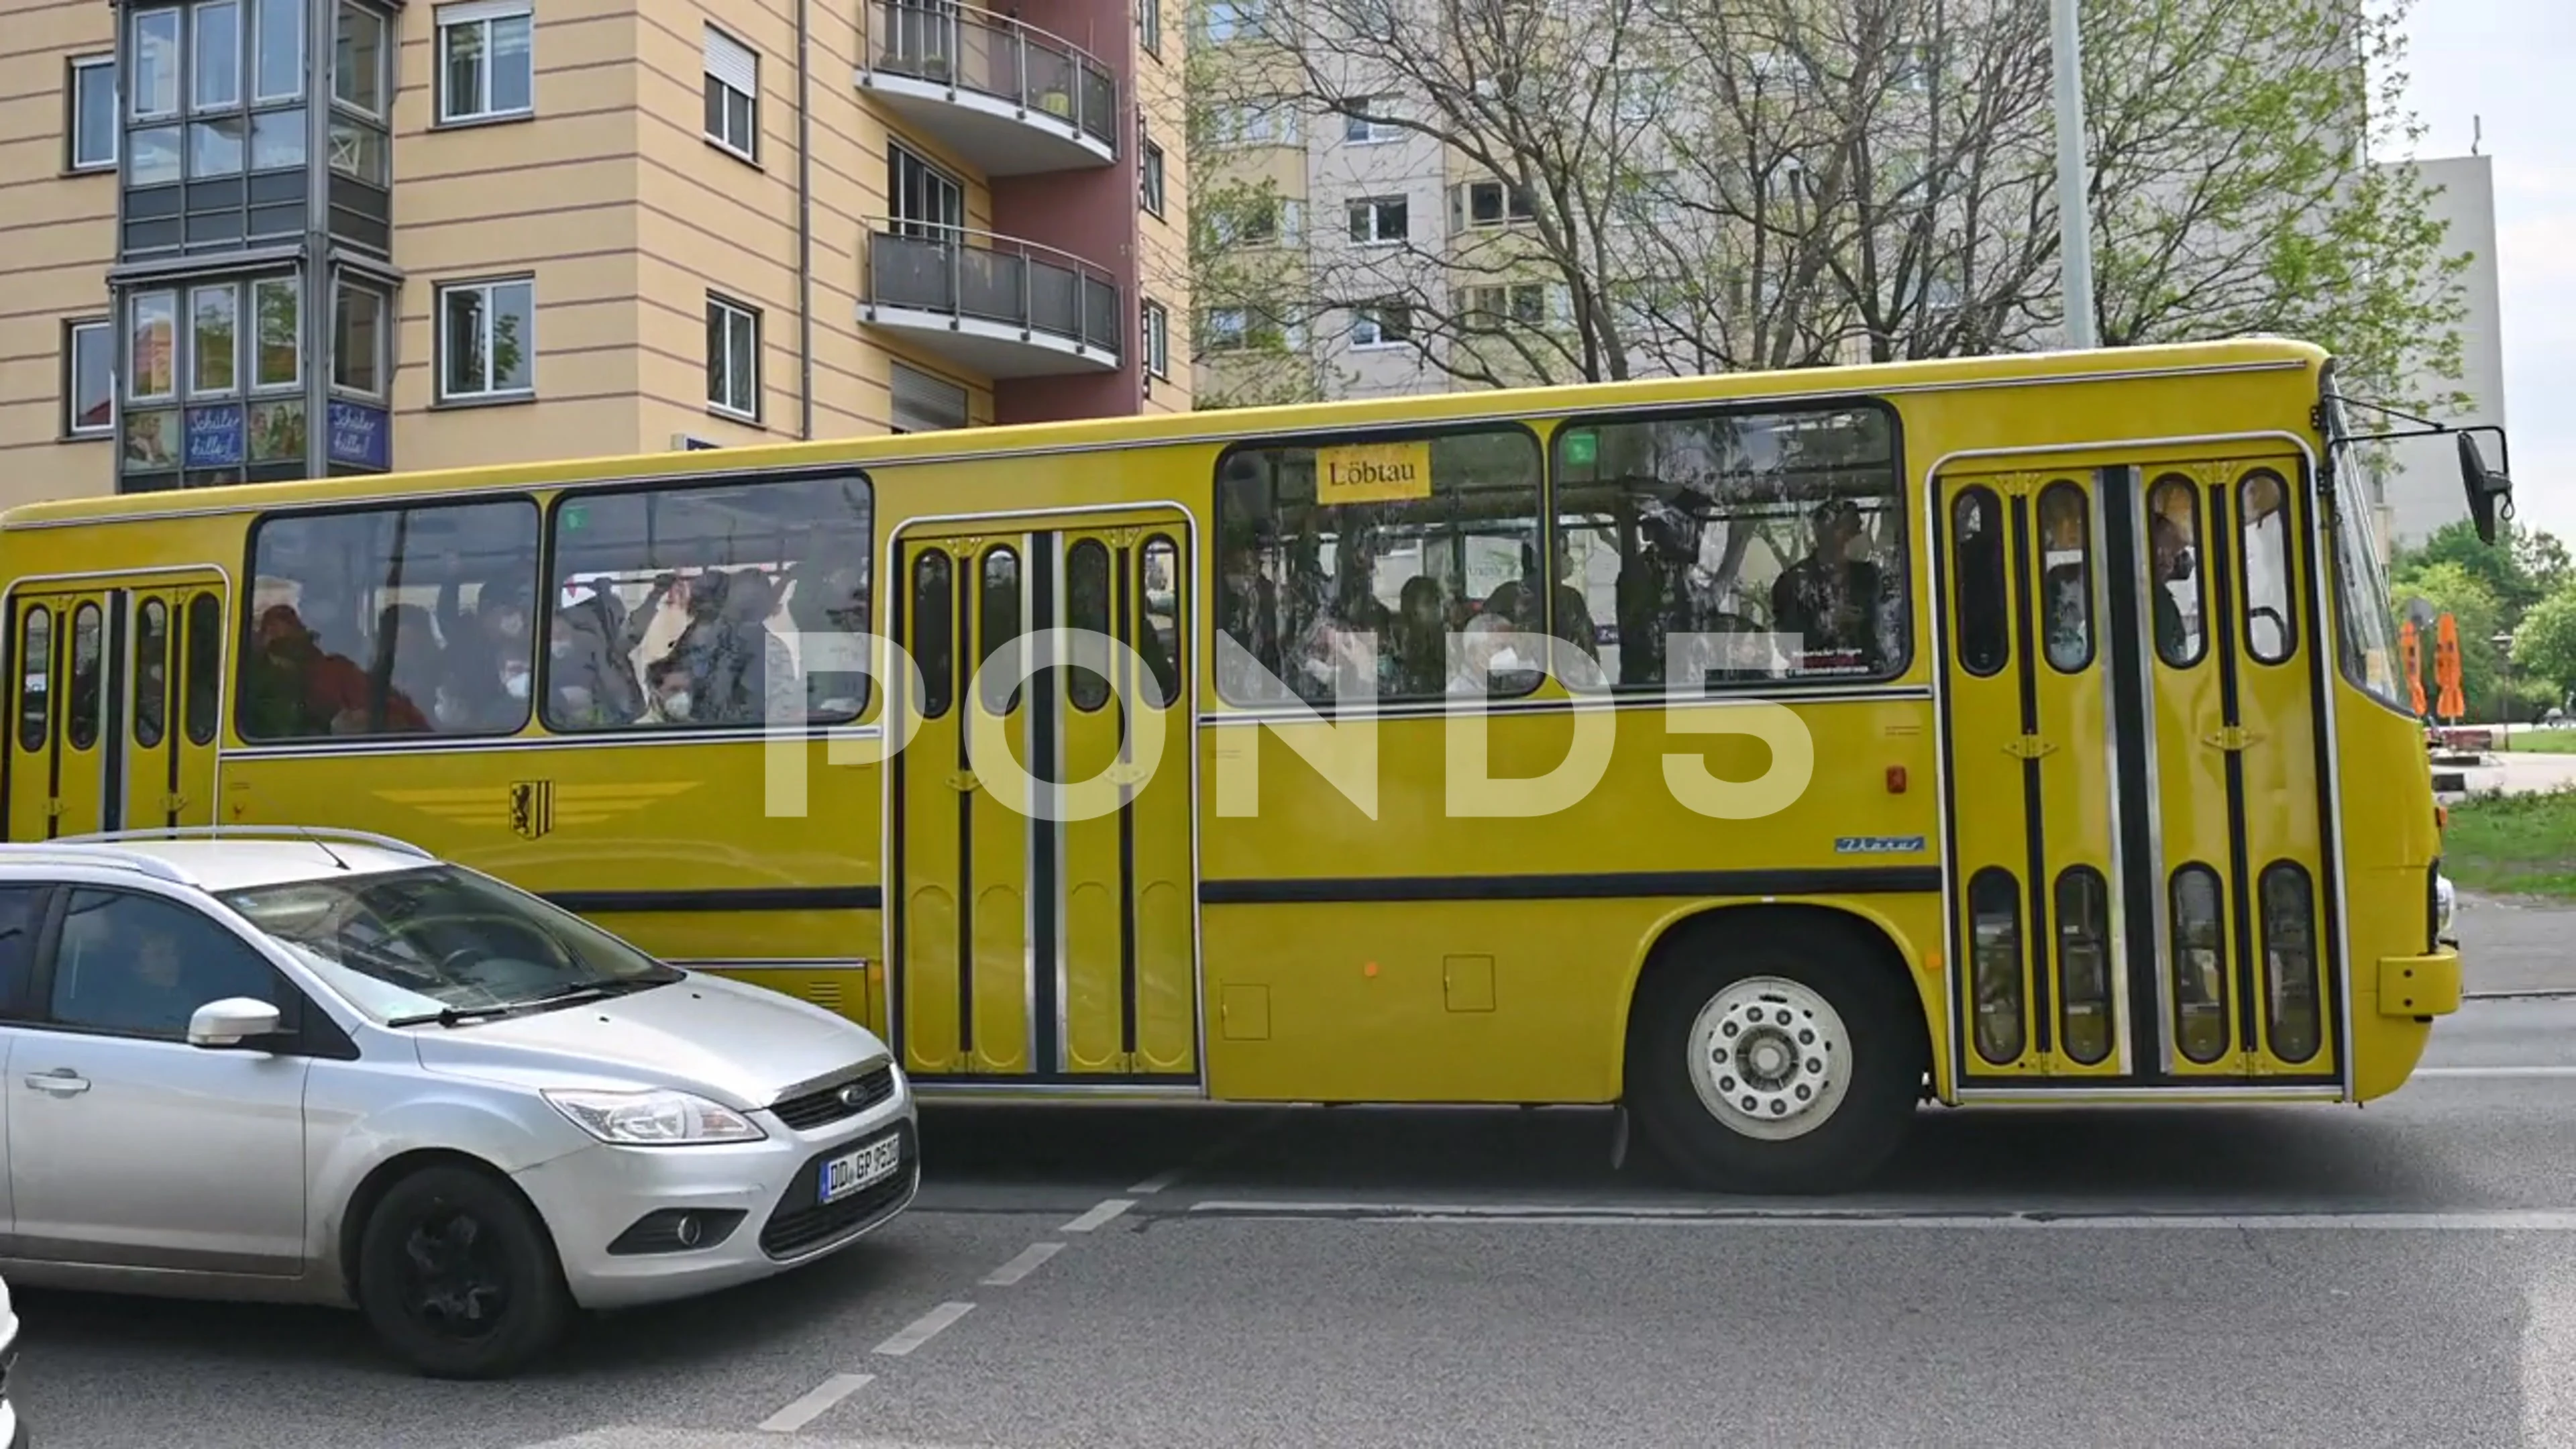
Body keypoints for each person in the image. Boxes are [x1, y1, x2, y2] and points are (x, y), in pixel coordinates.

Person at [1769, 499, 1883, 672]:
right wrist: (1827, 623)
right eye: (1852, 530)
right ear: (1830, 534)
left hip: (1871, 676)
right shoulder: (1793, 581)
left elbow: (1892, 628)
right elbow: (1786, 644)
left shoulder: (1870, 576)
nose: (1862, 536)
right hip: (1816, 679)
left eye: (1860, 529)